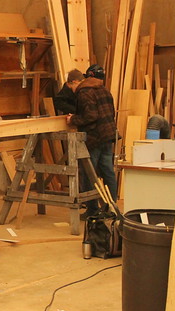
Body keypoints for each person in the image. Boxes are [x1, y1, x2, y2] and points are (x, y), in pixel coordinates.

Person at [65, 68, 118, 219]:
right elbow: (108, 112)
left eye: (71, 87)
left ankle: (92, 210)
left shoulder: (84, 92)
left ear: (74, 82)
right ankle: (111, 208)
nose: (73, 91)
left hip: (94, 137)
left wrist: (73, 119)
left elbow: (91, 116)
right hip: (108, 135)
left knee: (89, 174)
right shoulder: (103, 89)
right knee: (108, 172)